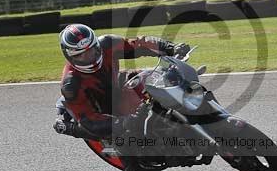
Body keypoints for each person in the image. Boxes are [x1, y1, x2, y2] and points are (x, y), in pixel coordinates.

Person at [53, 23, 190, 141]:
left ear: (97, 45)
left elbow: (138, 44)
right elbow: (89, 121)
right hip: (103, 110)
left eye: (91, 50)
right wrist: (124, 123)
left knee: (156, 75)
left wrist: (169, 47)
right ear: (69, 56)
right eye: (80, 55)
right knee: (130, 138)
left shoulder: (107, 44)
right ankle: (70, 128)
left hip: (116, 84)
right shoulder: (71, 84)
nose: (89, 57)